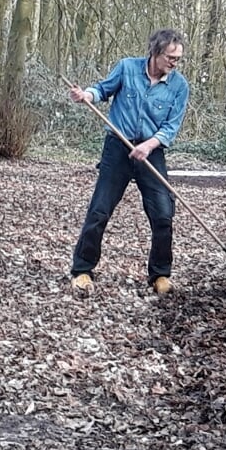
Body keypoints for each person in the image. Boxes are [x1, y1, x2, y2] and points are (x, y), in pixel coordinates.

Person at [66, 29, 191, 297]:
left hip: (151, 151)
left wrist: (148, 146)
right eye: (170, 57)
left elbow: (171, 126)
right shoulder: (127, 68)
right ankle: (82, 270)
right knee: (100, 210)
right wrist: (87, 95)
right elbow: (102, 89)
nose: (174, 63)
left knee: (163, 214)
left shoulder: (179, 86)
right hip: (117, 148)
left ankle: (160, 275)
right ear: (155, 53)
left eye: (178, 59)